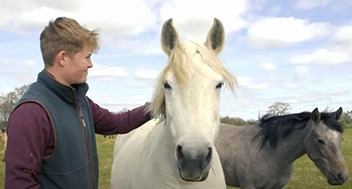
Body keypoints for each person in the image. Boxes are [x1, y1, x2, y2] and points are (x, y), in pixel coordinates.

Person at [5, 17, 152, 189]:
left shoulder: (79, 101)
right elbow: (19, 184)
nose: (90, 64)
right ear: (63, 58)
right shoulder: (31, 113)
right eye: (87, 57)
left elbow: (116, 123)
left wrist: (154, 107)